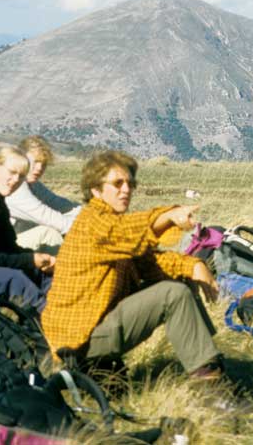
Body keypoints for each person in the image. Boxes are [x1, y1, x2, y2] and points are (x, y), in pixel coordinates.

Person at [41, 151, 224, 380]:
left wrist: (194, 266)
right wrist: (169, 216)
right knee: (172, 294)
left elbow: (150, 263)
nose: (126, 189)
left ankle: (210, 359)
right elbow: (131, 230)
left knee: (179, 278)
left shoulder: (110, 223)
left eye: (130, 183)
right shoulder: (93, 223)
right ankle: (211, 388)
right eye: (117, 183)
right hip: (77, 340)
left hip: (98, 325)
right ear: (96, 190)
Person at [0, 147, 55, 312]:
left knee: (42, 273)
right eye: (12, 172)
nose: (15, 180)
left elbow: (7, 248)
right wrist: (28, 260)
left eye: (21, 176)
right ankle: (53, 326)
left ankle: (70, 311)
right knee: (14, 279)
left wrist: (36, 259)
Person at [6, 135, 81, 252]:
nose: (39, 168)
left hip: (13, 242)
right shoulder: (12, 187)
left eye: (44, 164)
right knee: (49, 233)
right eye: (35, 162)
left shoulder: (33, 185)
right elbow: (48, 217)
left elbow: (64, 206)